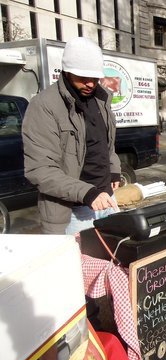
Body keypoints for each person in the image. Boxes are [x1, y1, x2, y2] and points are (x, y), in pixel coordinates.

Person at [23, 37, 121, 234]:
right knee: (79, 264)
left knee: (113, 262)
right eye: (82, 77)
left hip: (107, 201)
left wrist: (114, 169)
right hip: (74, 213)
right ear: (66, 71)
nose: (90, 84)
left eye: (94, 78)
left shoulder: (101, 100)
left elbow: (105, 144)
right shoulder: (44, 105)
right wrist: (87, 193)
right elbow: (41, 169)